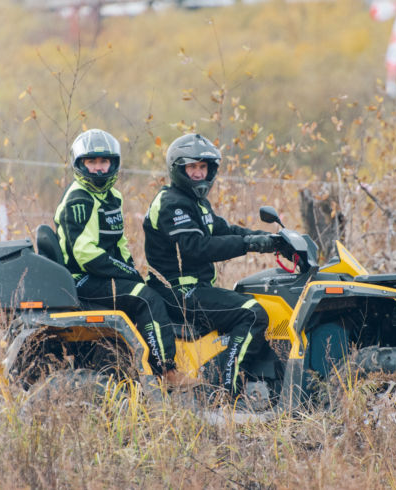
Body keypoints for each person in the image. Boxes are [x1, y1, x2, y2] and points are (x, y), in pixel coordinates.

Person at [54, 128, 195, 388]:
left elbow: (119, 243)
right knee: (146, 298)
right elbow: (84, 254)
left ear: (113, 163)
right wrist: (125, 273)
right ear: (80, 164)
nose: (98, 168)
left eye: (104, 161)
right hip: (81, 278)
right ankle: (166, 372)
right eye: (91, 162)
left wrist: (130, 269)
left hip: (102, 274)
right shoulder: (79, 199)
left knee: (153, 290)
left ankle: (137, 369)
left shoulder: (112, 197)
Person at [142, 133, 277, 398]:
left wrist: (269, 240)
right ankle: (224, 389)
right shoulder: (173, 203)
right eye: (191, 167)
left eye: (203, 167)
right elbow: (195, 248)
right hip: (178, 293)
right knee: (252, 314)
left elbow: (223, 229)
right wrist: (248, 244)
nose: (198, 173)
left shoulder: (195, 202)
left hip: (194, 289)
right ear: (178, 169)